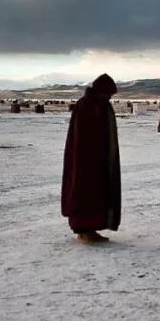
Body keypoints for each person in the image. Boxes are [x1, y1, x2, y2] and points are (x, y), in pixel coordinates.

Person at [61, 74, 121, 244]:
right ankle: (83, 229)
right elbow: (81, 137)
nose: (109, 97)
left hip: (100, 159)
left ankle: (92, 228)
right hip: (85, 160)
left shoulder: (102, 106)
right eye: (108, 94)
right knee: (83, 192)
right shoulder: (86, 106)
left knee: (98, 194)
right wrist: (86, 159)